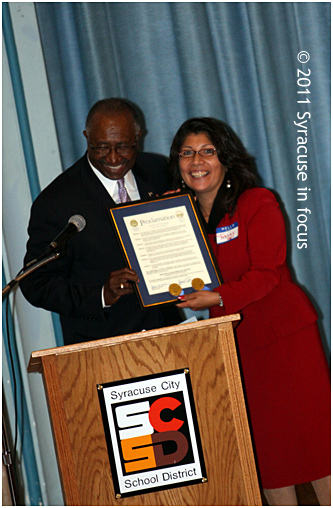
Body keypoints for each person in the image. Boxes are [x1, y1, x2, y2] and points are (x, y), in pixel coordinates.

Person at [168, 117, 331, 506]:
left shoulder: (257, 201)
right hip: (235, 348)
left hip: (285, 342)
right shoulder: (179, 218)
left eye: (207, 151)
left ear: (225, 158)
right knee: (267, 456)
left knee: (317, 448)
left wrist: (217, 298)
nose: (197, 161)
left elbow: (267, 275)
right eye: (187, 153)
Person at [20, 98, 180, 345]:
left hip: (168, 333)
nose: (114, 158)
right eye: (102, 147)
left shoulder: (157, 170)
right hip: (103, 346)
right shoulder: (56, 202)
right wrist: (101, 293)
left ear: (139, 136)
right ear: (87, 138)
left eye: (124, 146)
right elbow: (36, 283)